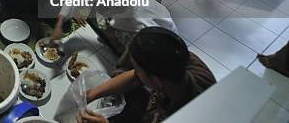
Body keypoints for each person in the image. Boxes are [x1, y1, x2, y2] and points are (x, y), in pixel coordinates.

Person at [78, 27, 215, 123]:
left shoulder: (181, 115)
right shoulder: (183, 60)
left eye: (137, 70)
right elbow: (134, 78)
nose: (134, 72)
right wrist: (93, 93)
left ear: (156, 82)